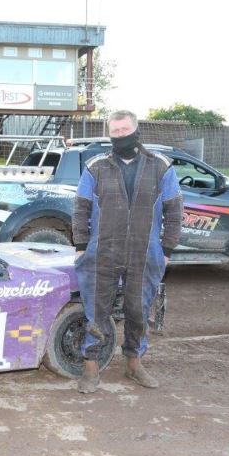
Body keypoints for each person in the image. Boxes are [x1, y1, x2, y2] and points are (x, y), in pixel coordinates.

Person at [72, 110, 183, 394]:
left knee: (138, 310)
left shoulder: (160, 166)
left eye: (125, 130)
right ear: (109, 134)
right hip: (102, 251)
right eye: (115, 131)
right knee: (96, 311)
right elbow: (81, 208)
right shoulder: (96, 166)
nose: (120, 135)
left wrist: (166, 249)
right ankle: (91, 368)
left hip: (145, 252)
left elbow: (174, 210)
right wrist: (81, 246)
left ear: (136, 130)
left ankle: (134, 364)